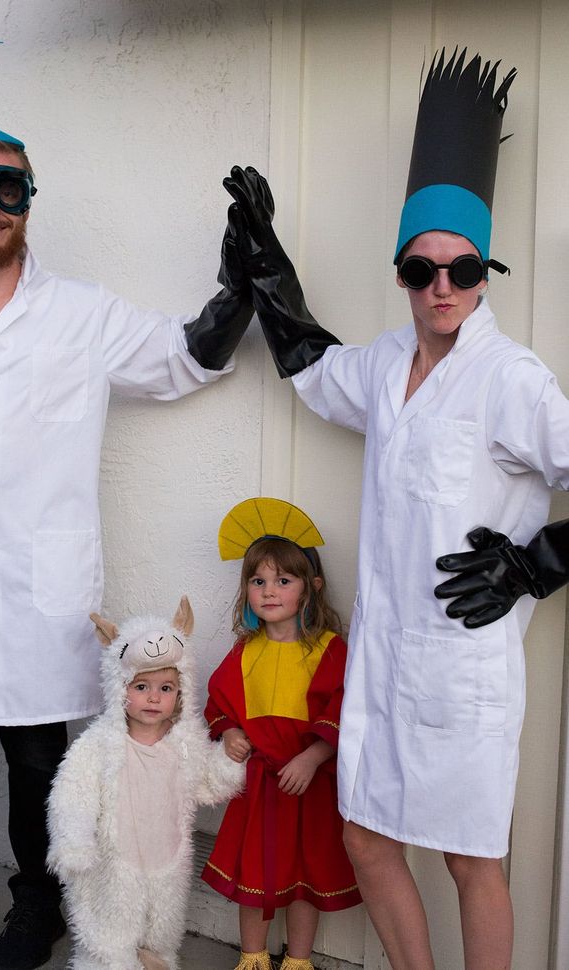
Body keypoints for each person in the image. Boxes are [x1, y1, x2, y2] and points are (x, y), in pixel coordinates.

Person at [0, 30, 254, 970]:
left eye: (9, 188)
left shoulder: (80, 313)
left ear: (30, 204)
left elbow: (187, 357)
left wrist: (242, 279)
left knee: (37, 761)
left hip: (41, 588)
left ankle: (37, 904)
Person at [222, 49, 569, 970]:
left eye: (461, 269)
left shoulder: (512, 379)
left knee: (471, 859)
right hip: (381, 669)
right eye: (421, 271)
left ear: (484, 272)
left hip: (462, 670)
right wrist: (267, 266)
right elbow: (308, 363)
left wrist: (540, 562)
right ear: (402, 273)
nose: (442, 287)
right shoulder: (381, 366)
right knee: (371, 840)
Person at [202, 497, 361, 970]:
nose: (269, 591)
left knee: (304, 877)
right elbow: (218, 701)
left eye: (283, 580)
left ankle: (298, 960)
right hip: (259, 787)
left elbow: (344, 706)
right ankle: (252, 958)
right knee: (255, 874)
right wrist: (228, 731)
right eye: (258, 580)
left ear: (310, 588)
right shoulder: (245, 649)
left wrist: (313, 756)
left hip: (307, 785)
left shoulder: (329, 649)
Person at [46, 596, 244, 970]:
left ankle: (155, 958)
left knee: (161, 926)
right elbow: (73, 791)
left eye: (166, 688)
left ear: (181, 692)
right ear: (120, 688)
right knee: (111, 927)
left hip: (165, 856)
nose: (153, 697)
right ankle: (107, 961)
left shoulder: (184, 743)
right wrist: (74, 839)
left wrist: (230, 761)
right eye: (141, 687)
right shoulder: (101, 744)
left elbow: (207, 784)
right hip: (115, 859)